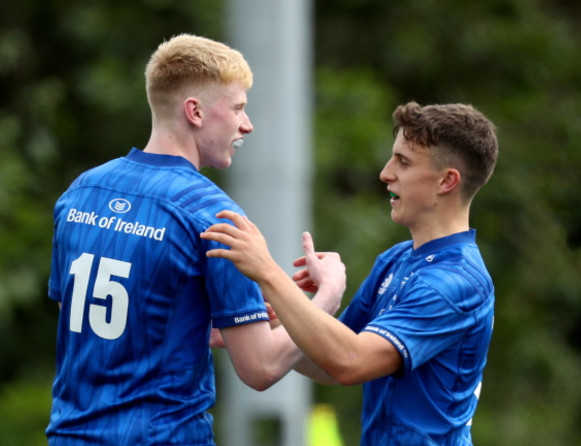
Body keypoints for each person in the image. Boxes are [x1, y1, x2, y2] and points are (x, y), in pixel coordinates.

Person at [45, 34, 344, 445]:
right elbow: (260, 369)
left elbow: (81, 318)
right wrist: (326, 297)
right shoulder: (213, 215)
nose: (247, 124)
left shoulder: (81, 192)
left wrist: (197, 329)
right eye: (238, 107)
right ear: (195, 112)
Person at [201, 101, 499, 445]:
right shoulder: (396, 259)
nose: (386, 173)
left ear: (447, 181)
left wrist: (268, 272)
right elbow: (328, 362)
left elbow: (349, 361)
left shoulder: (455, 282)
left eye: (403, 161)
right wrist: (260, 323)